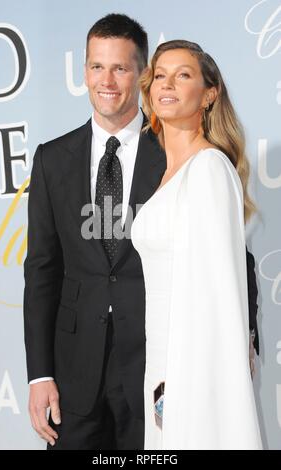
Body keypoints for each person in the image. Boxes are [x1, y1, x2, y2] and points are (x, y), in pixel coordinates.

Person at [23, 13, 259, 450]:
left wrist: (243, 339)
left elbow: (230, 255)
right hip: (75, 373)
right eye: (97, 66)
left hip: (155, 366)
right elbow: (41, 269)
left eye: (121, 68)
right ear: (84, 73)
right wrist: (40, 373)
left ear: (140, 75)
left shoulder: (177, 152)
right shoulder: (51, 159)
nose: (107, 80)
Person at [131, 39, 263, 450]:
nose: (167, 84)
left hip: (189, 371)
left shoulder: (207, 169)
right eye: (160, 75)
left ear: (209, 94)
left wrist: (183, 385)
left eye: (183, 75)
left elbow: (216, 297)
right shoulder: (169, 172)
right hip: (163, 362)